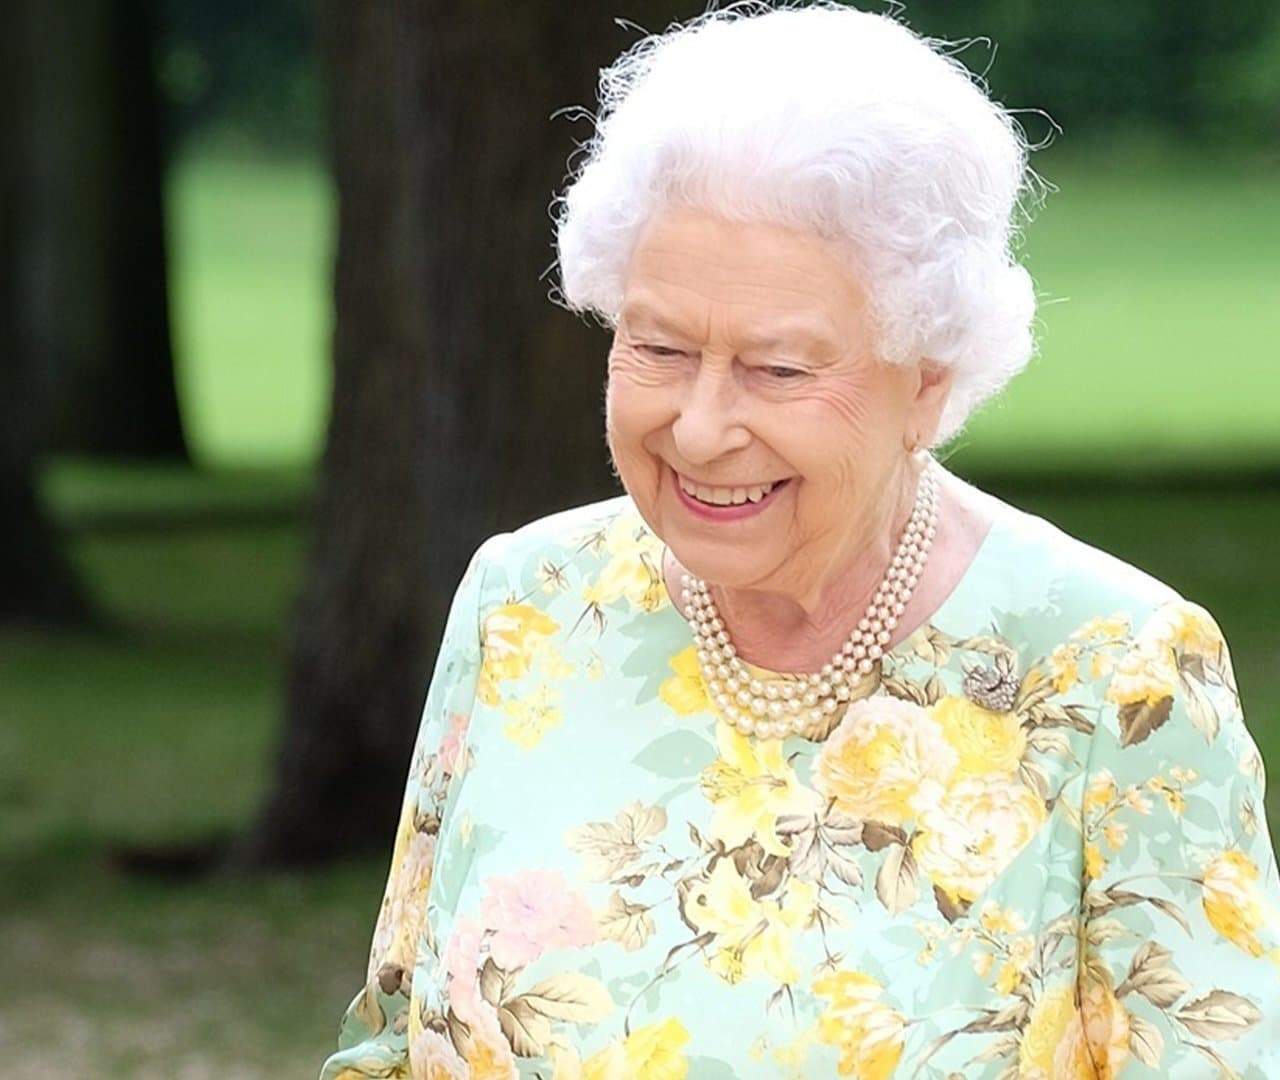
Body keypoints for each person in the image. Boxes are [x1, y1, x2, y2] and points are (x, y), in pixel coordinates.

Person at [318, 3, 1280, 1077]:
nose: (699, 426)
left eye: (777, 369)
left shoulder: (1118, 676)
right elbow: (391, 1044)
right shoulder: (527, 601)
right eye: (661, 347)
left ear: (928, 379)